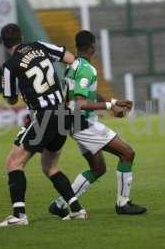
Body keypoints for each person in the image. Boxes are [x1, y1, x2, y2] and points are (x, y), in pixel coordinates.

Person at [0, 23, 87, 227]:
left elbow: (10, 99)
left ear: (4, 43)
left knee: (13, 163)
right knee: (50, 166)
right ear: (22, 36)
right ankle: (77, 210)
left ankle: (19, 215)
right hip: (63, 113)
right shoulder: (39, 46)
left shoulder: (10, 65)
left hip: (44, 116)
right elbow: (71, 59)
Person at [49, 30, 147, 218]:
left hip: (73, 123)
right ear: (93, 47)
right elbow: (80, 103)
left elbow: (87, 95)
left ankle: (60, 204)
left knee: (98, 169)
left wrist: (113, 104)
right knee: (127, 153)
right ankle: (123, 204)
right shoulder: (87, 69)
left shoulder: (73, 66)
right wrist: (110, 105)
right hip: (83, 123)